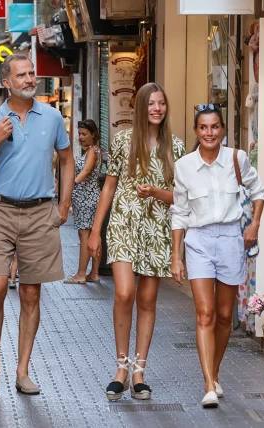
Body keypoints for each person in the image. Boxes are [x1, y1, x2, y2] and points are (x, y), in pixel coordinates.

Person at [0, 54, 74, 396]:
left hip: (40, 213)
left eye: (32, 73)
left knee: (31, 293)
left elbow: (68, 160)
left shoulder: (53, 117)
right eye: (22, 75)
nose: (30, 79)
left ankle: (23, 370)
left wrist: (64, 204)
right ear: (7, 82)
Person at [87, 83, 185, 401]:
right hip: (123, 225)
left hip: (157, 229)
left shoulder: (177, 147)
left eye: (161, 103)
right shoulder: (123, 141)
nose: (157, 108)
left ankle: (139, 372)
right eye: (151, 104)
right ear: (141, 108)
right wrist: (94, 230)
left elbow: (182, 199)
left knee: (147, 301)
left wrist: (156, 192)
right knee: (124, 292)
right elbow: (109, 187)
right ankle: (121, 367)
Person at [170, 104, 264, 408]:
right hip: (198, 240)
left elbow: (259, 190)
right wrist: (176, 255)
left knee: (226, 316)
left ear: (222, 129)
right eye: (203, 127)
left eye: (214, 127)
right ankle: (208, 384)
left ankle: (215, 372)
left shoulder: (236, 159)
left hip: (229, 239)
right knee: (206, 313)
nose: (209, 133)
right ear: (196, 131)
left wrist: (254, 224)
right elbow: (179, 213)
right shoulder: (184, 165)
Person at [64, 119, 102, 284]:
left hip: (87, 197)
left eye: (84, 134)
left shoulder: (92, 151)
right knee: (93, 235)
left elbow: (86, 171)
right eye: (79, 134)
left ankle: (81, 274)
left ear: (93, 134)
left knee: (85, 235)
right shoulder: (93, 151)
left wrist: (71, 185)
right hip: (88, 198)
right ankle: (93, 273)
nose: (80, 137)